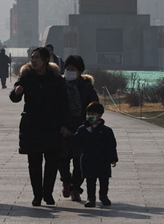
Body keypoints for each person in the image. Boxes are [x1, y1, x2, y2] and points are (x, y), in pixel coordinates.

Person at [10, 46, 68, 207]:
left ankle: (47, 193)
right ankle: (37, 195)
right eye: (32, 57)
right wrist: (16, 91)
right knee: (34, 162)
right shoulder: (27, 77)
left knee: (51, 162)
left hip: (52, 126)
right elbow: (14, 98)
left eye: (37, 57)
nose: (33, 60)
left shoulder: (57, 80)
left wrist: (64, 125)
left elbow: (64, 104)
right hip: (32, 127)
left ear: (45, 60)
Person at [59, 55, 99, 202]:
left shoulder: (87, 87)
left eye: (73, 69)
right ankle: (66, 180)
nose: (69, 71)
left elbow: (95, 108)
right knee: (61, 159)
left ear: (80, 71)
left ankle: (76, 188)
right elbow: (53, 107)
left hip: (81, 128)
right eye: (67, 68)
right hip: (63, 127)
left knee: (79, 161)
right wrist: (60, 126)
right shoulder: (59, 85)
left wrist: (88, 126)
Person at [73, 101, 118, 208]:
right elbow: (76, 141)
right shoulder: (82, 129)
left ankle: (103, 196)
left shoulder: (106, 131)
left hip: (103, 160)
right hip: (88, 159)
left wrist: (113, 158)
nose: (90, 116)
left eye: (93, 114)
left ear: (100, 115)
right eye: (88, 113)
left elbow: (111, 145)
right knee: (90, 180)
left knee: (104, 180)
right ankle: (91, 198)